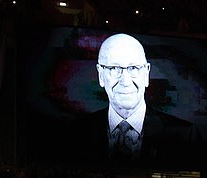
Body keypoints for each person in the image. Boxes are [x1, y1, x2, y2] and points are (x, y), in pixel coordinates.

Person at [86, 33, 200, 163]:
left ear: (146, 73)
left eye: (133, 68)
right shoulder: (74, 132)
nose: (125, 81)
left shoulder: (185, 135)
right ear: (100, 74)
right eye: (114, 68)